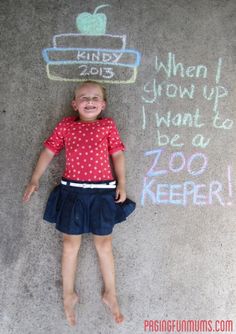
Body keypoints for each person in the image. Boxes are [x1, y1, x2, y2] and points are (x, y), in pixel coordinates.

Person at [22, 80, 135, 327]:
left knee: (104, 245)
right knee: (69, 245)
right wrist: (34, 179)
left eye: (95, 98)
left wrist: (122, 184)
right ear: (74, 104)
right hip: (73, 192)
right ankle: (68, 293)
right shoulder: (65, 125)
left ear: (103, 105)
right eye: (84, 97)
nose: (90, 101)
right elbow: (49, 151)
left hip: (103, 193)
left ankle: (110, 293)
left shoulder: (107, 125)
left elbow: (117, 154)